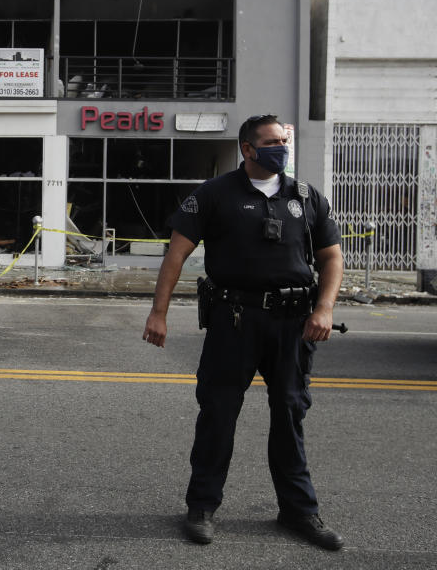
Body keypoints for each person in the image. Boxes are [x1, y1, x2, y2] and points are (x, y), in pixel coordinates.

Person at [142, 114, 345, 550]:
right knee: (217, 412)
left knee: (289, 414)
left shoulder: (307, 197)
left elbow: (331, 258)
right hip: (233, 319)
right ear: (247, 149)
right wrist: (158, 313)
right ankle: (201, 506)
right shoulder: (214, 194)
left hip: (293, 323)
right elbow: (175, 255)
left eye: (283, 141)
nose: (281, 148)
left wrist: (324, 308)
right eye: (271, 142)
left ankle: (299, 511)